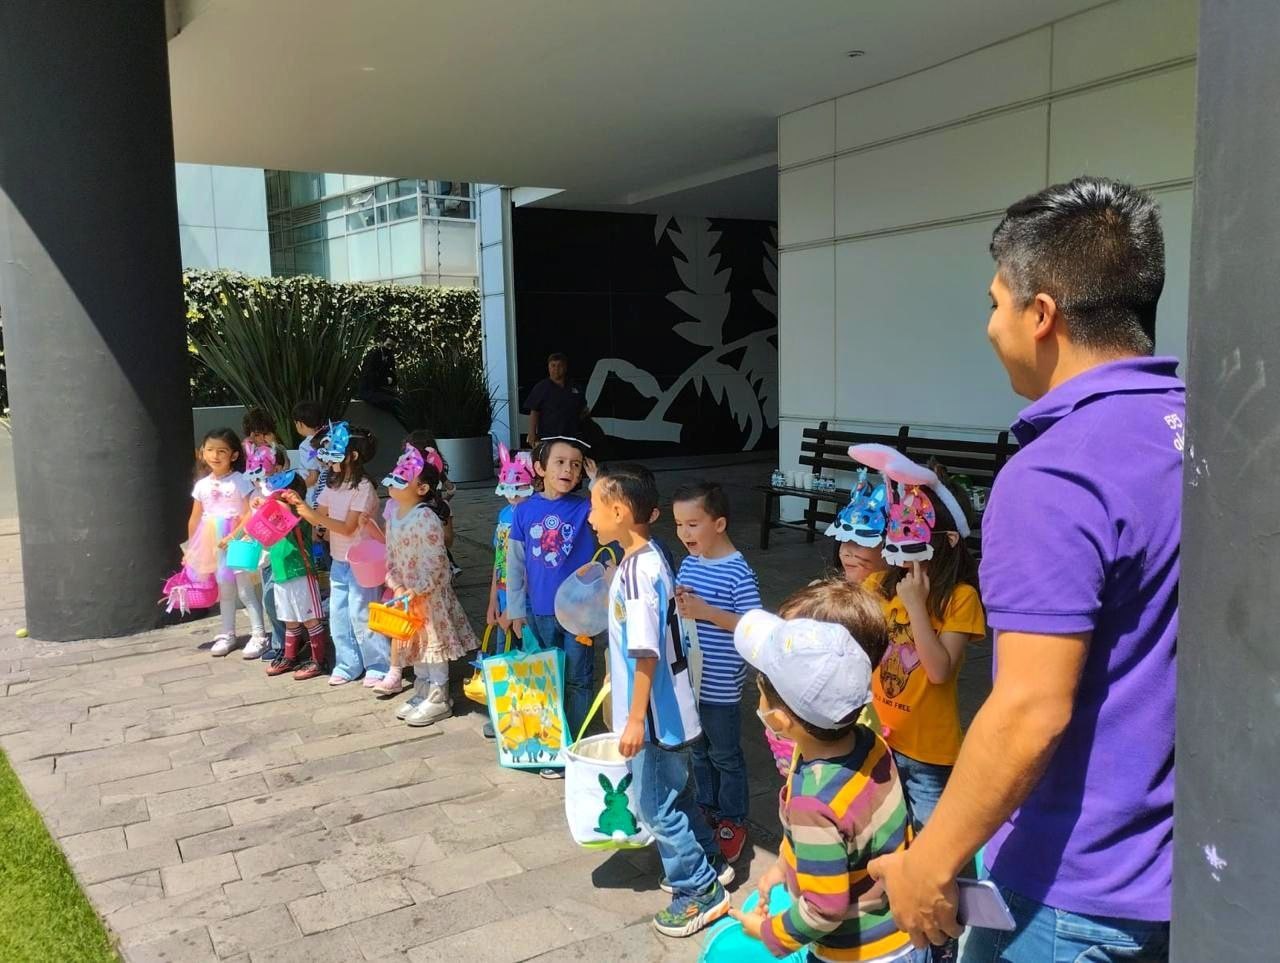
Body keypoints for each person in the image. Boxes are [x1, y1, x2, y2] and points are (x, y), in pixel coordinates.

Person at [869, 177, 1182, 962]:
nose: (989, 324)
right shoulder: (1199, 426)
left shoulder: (1056, 472)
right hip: (1182, 872)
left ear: (1041, 314)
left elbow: (1029, 708)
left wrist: (929, 862)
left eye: (995, 301)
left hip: (1071, 892)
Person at [728, 604, 924, 963]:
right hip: (901, 933)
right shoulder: (868, 742)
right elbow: (850, 840)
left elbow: (823, 911)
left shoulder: (814, 804)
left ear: (779, 720)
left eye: (760, 689)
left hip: (858, 952)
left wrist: (769, 932)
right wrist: (783, 865)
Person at [587, 462, 733, 938]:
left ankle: (699, 890)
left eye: (594, 506)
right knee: (678, 793)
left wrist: (634, 720)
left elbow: (645, 652)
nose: (590, 517)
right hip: (670, 710)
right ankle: (711, 861)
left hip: (654, 717)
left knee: (655, 808)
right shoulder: (649, 557)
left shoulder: (637, 572)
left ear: (618, 512)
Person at [853, 454, 986, 831]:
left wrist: (915, 606)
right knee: (885, 833)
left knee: (931, 840)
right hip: (877, 738)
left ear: (948, 539)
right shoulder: (879, 584)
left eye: (914, 530)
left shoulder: (960, 598)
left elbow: (940, 671)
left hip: (929, 753)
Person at [669, 481, 762, 864]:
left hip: (721, 686)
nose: (684, 533)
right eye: (679, 525)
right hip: (692, 680)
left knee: (725, 754)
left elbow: (753, 625)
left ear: (719, 524)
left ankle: (733, 818)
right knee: (699, 751)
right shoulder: (690, 563)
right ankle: (706, 806)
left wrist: (706, 612)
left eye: (693, 524)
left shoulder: (738, 571)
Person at [504, 436, 603, 772]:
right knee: (546, 678)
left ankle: (574, 747)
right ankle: (550, 743)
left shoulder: (586, 508)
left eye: (576, 465)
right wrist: (515, 609)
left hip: (581, 614)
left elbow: (613, 509)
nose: (568, 470)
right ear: (539, 468)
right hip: (540, 611)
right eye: (560, 462)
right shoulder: (523, 510)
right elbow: (514, 564)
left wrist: (597, 482)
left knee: (578, 678)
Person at [283, 424, 391, 688]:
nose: (327, 458)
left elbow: (347, 527)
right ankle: (347, 664)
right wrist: (299, 505)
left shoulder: (363, 487)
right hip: (339, 561)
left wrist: (312, 514)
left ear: (352, 455)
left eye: (334, 452)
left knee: (362, 613)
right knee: (339, 615)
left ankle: (378, 664)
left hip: (363, 563)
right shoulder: (333, 485)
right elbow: (319, 516)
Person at [379, 440, 478, 725]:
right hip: (407, 597)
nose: (395, 481)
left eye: (404, 477)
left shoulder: (425, 517)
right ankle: (422, 689)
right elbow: (391, 556)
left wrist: (417, 589)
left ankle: (438, 695)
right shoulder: (394, 516)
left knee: (434, 645)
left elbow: (437, 561)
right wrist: (396, 584)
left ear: (422, 488)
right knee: (417, 644)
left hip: (429, 599)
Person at [185, 428, 268, 657]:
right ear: (202, 453)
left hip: (239, 540)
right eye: (210, 450)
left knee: (245, 589)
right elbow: (195, 518)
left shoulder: (241, 480)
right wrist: (191, 549)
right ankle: (227, 633)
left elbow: (249, 512)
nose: (215, 455)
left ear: (234, 455)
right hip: (213, 542)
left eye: (222, 451)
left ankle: (259, 635)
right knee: (225, 589)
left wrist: (235, 535)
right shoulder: (201, 485)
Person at [481, 444, 536, 739]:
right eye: (507, 488)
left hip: (525, 605)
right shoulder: (504, 515)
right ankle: (506, 714)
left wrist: (514, 608)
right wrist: (493, 601)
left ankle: (530, 716)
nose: (512, 495)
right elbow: (499, 560)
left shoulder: (533, 516)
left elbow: (530, 568)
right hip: (503, 600)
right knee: (505, 659)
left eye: (519, 488)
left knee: (528, 660)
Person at [255, 470, 327, 680]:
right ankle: (289, 657)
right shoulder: (278, 510)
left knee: (310, 619)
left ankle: (318, 660)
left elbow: (284, 512)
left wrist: (268, 503)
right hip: (281, 573)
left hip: (301, 572)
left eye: (278, 493)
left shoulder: (298, 510)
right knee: (289, 620)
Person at [525, 352, 588, 446]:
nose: (556, 369)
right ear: (548, 367)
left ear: (565, 367)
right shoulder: (541, 387)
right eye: (553, 365)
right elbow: (534, 411)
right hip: (548, 438)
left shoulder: (575, 387)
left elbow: (583, 411)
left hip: (572, 437)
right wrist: (532, 433)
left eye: (560, 365)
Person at [292, 400, 326, 503]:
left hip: (313, 494)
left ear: (300, 424)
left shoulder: (306, 446)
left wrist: (296, 491)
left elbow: (313, 477)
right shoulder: (326, 439)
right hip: (327, 490)